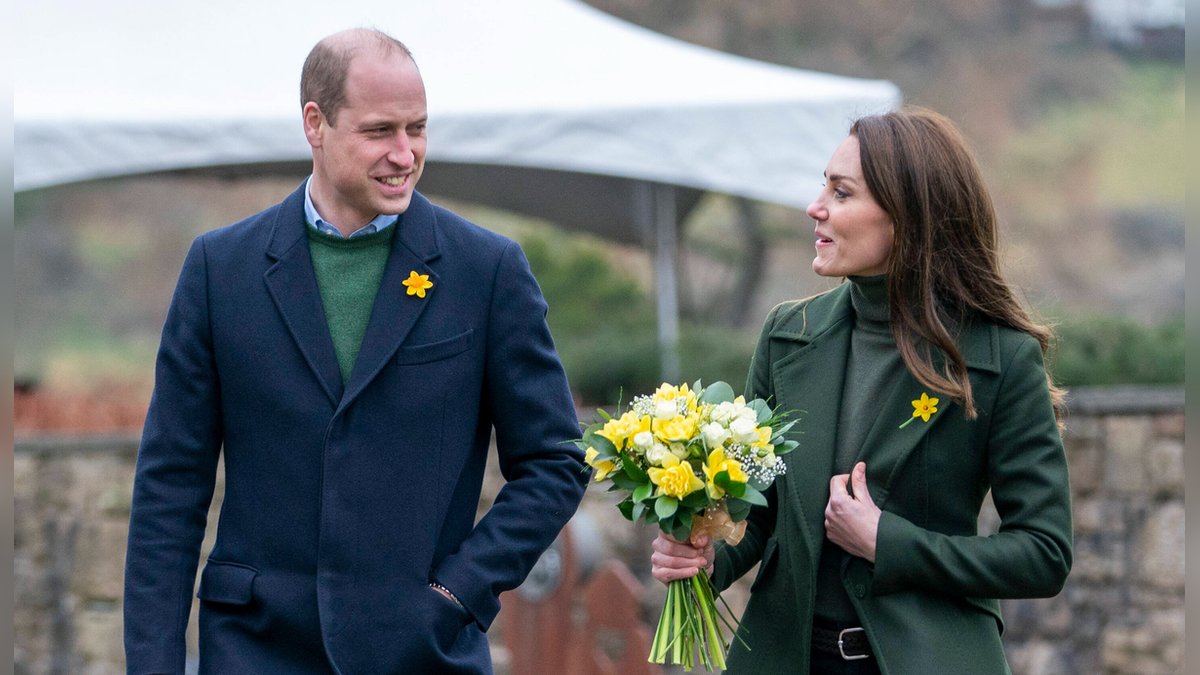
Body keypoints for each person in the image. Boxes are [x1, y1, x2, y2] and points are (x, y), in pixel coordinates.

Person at [123, 28, 588, 674]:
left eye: (417, 129)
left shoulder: (487, 270)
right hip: (254, 651)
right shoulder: (218, 270)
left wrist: (459, 590)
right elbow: (170, 488)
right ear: (315, 123)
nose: (405, 153)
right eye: (380, 131)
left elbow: (556, 461)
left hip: (423, 653)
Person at [650, 106, 1072, 674]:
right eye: (823, 186)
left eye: (842, 193)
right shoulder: (786, 337)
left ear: (906, 217)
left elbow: (1043, 554)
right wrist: (706, 559)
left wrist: (888, 542)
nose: (815, 207)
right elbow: (760, 514)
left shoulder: (999, 359)